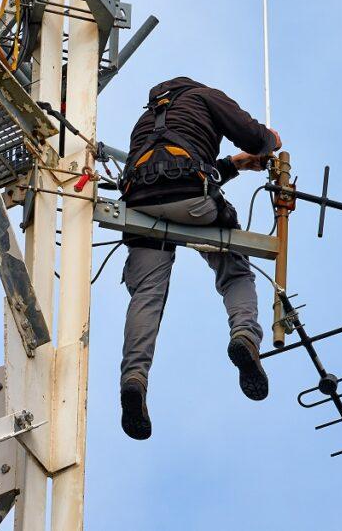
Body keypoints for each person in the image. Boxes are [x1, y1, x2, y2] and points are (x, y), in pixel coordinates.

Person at [117, 76, 281, 440]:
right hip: (192, 202)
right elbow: (254, 137)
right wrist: (270, 141)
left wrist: (235, 165)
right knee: (234, 271)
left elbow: (170, 170)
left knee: (146, 294)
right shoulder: (205, 96)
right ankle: (245, 336)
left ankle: (134, 378)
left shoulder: (145, 119)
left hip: (140, 205)